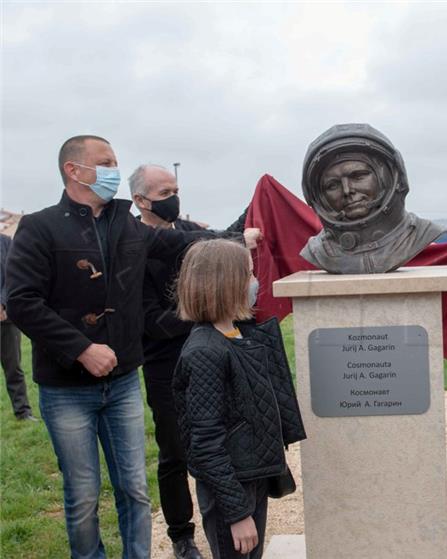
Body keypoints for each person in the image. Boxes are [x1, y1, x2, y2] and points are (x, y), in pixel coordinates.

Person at [5, 135, 259, 558]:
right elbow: (22, 303)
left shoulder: (127, 225)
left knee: (135, 489)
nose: (113, 170)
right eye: (105, 162)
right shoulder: (41, 227)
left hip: (122, 382)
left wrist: (235, 239)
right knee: (84, 495)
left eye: (115, 162)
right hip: (67, 388)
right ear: (73, 170)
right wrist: (82, 349)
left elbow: (180, 242)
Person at [128, 163, 258, 559]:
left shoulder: (188, 233)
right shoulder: (133, 245)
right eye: (164, 193)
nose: (174, 198)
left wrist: (258, 205)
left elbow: (219, 242)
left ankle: (227, 516)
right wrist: (202, 315)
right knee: (175, 451)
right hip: (165, 363)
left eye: (175, 189)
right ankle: (182, 535)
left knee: (220, 440)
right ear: (140, 200)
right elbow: (148, 319)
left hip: (214, 356)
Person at [172, 239, 306, 559]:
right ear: (224, 284)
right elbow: (206, 443)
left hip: (251, 478)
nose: (255, 282)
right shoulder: (205, 352)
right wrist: (236, 513)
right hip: (231, 489)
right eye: (248, 274)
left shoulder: (236, 335)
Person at [300, 123, 441, 273]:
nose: (347, 190)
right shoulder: (319, 252)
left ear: (386, 177)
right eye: (332, 185)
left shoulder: (420, 234)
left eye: (359, 176)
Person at [0, 233, 36, 421]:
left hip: (5, 318)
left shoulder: (6, 242)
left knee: (13, 367)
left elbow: (12, 275)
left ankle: (22, 412)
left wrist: (2, 303)